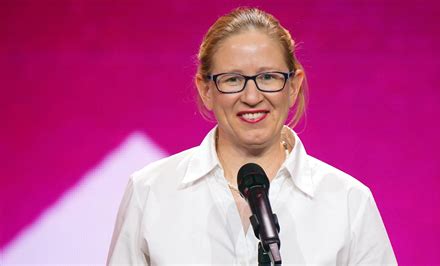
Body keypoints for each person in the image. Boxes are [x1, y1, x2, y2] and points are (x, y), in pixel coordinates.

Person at [107, 7, 397, 265]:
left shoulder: (348, 202)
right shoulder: (151, 191)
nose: (251, 96)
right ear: (206, 89)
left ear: (293, 86)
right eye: (233, 79)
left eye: (268, 77)